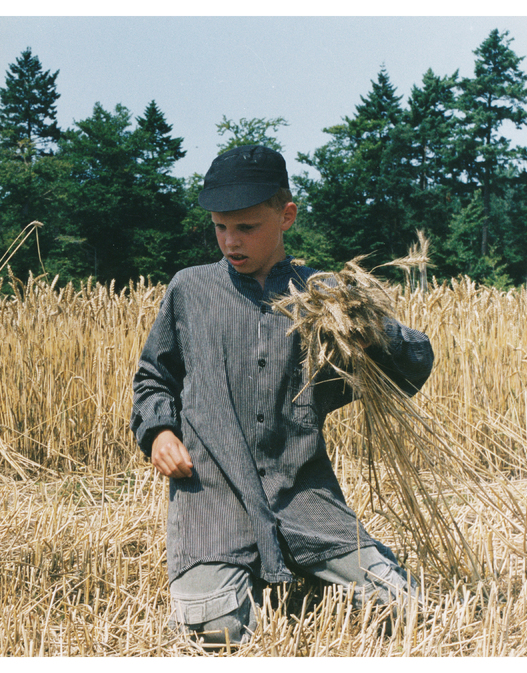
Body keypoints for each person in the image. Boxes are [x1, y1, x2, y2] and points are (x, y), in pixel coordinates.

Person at [130, 145, 434, 645]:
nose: (230, 241)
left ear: (286, 215)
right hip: (212, 498)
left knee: (405, 611)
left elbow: (410, 367)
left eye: (246, 227)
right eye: (220, 227)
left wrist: (372, 334)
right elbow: (152, 377)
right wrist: (159, 431)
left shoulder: (323, 297)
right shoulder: (189, 290)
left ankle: (304, 573)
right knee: (217, 634)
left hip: (304, 497)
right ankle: (269, 582)